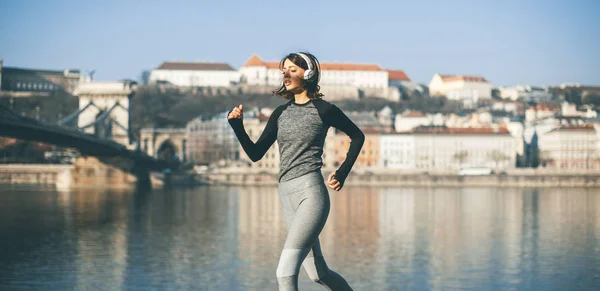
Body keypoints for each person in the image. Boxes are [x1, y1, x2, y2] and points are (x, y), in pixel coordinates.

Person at [227, 52, 364, 291]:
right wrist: (237, 126)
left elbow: (357, 135)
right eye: (284, 70)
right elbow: (256, 153)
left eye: (292, 69)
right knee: (318, 273)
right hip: (286, 196)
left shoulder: (324, 110)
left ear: (308, 74)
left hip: (310, 195)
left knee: (285, 272)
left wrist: (342, 173)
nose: (286, 74)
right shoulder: (280, 114)